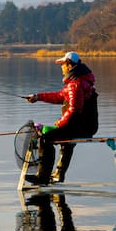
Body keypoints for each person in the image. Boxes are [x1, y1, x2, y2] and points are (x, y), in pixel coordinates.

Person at [24, 51, 98, 185]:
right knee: (61, 138)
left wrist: (60, 124)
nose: (61, 67)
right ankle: (58, 174)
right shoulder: (79, 81)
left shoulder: (75, 84)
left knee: (46, 138)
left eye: (63, 64)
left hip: (80, 127)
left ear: (69, 65)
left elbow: (75, 110)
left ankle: (43, 177)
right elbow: (59, 96)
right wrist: (37, 97)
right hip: (86, 126)